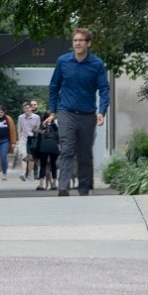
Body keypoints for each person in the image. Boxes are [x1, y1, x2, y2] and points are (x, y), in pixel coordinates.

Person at [45, 27, 109, 197]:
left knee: (84, 153)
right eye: (75, 40)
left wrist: (102, 111)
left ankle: (83, 188)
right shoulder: (63, 62)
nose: (78, 43)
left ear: (88, 43)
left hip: (88, 114)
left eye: (81, 40)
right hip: (66, 112)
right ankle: (63, 187)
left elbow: (104, 89)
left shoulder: (96, 64)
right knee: (67, 148)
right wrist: (53, 111)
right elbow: (54, 87)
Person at [17, 100, 42, 182]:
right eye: (25, 108)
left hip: (32, 139)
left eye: (28, 108)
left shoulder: (37, 117)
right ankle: (23, 173)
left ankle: (30, 173)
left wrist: (36, 129)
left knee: (31, 158)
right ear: (23, 109)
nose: (27, 110)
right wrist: (19, 140)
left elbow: (38, 129)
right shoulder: (21, 117)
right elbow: (19, 129)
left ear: (31, 109)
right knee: (24, 156)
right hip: (24, 139)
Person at [35, 113, 60, 191]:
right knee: (53, 165)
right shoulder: (54, 126)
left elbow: (38, 138)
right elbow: (58, 136)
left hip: (43, 148)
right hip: (53, 147)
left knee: (43, 165)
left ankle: (41, 184)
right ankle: (54, 184)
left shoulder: (42, 125)